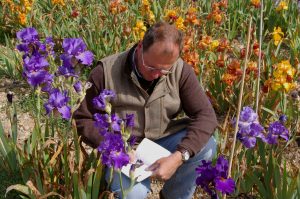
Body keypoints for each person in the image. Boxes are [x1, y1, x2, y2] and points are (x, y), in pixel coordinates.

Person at [74, 21, 218, 199]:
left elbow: (206, 115)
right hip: (123, 149)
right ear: (140, 46)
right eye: (151, 67)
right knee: (133, 194)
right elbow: (83, 118)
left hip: (163, 139)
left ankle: (174, 196)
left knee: (207, 147)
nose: (157, 75)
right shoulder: (105, 72)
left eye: (165, 71)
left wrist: (179, 156)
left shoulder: (181, 70)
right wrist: (113, 146)